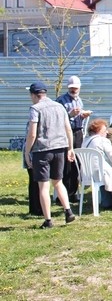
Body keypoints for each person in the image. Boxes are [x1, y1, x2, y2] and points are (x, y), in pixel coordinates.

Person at [24, 81, 77, 228]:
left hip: (42, 150)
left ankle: (48, 220)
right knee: (58, 182)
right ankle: (68, 211)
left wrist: (27, 151)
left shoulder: (35, 108)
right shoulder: (59, 106)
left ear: (34, 95)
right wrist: (70, 148)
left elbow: (32, 134)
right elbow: (68, 129)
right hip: (60, 148)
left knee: (43, 186)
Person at [56, 75, 91, 203]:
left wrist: (83, 115)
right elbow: (58, 119)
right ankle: (63, 194)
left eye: (76, 88)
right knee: (67, 163)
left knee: (77, 162)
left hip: (78, 132)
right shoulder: (61, 100)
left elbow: (78, 117)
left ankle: (73, 192)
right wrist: (70, 115)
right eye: (72, 88)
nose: (74, 90)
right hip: (65, 133)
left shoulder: (79, 100)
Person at [82, 118, 112, 209]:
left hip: (86, 173)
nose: (107, 132)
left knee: (103, 172)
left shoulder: (85, 141)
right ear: (99, 131)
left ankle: (107, 202)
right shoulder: (103, 141)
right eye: (104, 130)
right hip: (100, 173)